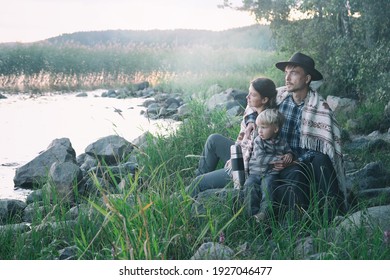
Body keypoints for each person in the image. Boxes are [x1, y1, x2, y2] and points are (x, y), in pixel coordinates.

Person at [272, 52, 347, 220]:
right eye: (286, 73)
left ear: (307, 79)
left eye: (294, 73)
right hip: (275, 157)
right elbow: (253, 104)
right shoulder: (278, 97)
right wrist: (249, 123)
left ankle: (330, 215)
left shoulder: (320, 107)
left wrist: (297, 160)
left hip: (303, 162)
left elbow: (327, 151)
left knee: (321, 160)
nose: (287, 77)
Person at [186, 77, 278, 198]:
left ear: (265, 99)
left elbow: (257, 159)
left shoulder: (267, 123)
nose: (247, 97)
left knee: (199, 183)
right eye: (248, 93)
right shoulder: (254, 113)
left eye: (252, 95)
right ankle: (197, 181)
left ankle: (191, 192)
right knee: (214, 139)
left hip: (246, 169)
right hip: (242, 156)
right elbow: (252, 109)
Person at [244, 108, 294, 222]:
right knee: (249, 186)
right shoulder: (258, 141)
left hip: (270, 174)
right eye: (259, 127)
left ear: (275, 129)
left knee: (268, 188)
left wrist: (289, 155)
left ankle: (264, 213)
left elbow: (289, 151)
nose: (260, 131)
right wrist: (279, 159)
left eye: (264, 127)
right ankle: (250, 215)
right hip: (255, 173)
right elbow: (261, 158)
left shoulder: (282, 142)